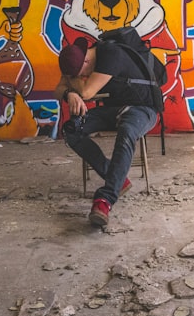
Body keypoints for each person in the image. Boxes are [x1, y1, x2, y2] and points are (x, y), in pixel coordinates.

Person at [55, 35, 159, 227]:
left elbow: (86, 93)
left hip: (143, 109)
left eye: (80, 74)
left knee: (127, 131)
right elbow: (58, 88)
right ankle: (118, 179)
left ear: (86, 60)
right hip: (114, 110)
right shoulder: (83, 58)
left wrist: (74, 84)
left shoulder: (112, 55)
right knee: (72, 129)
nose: (81, 77)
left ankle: (105, 199)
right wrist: (68, 92)